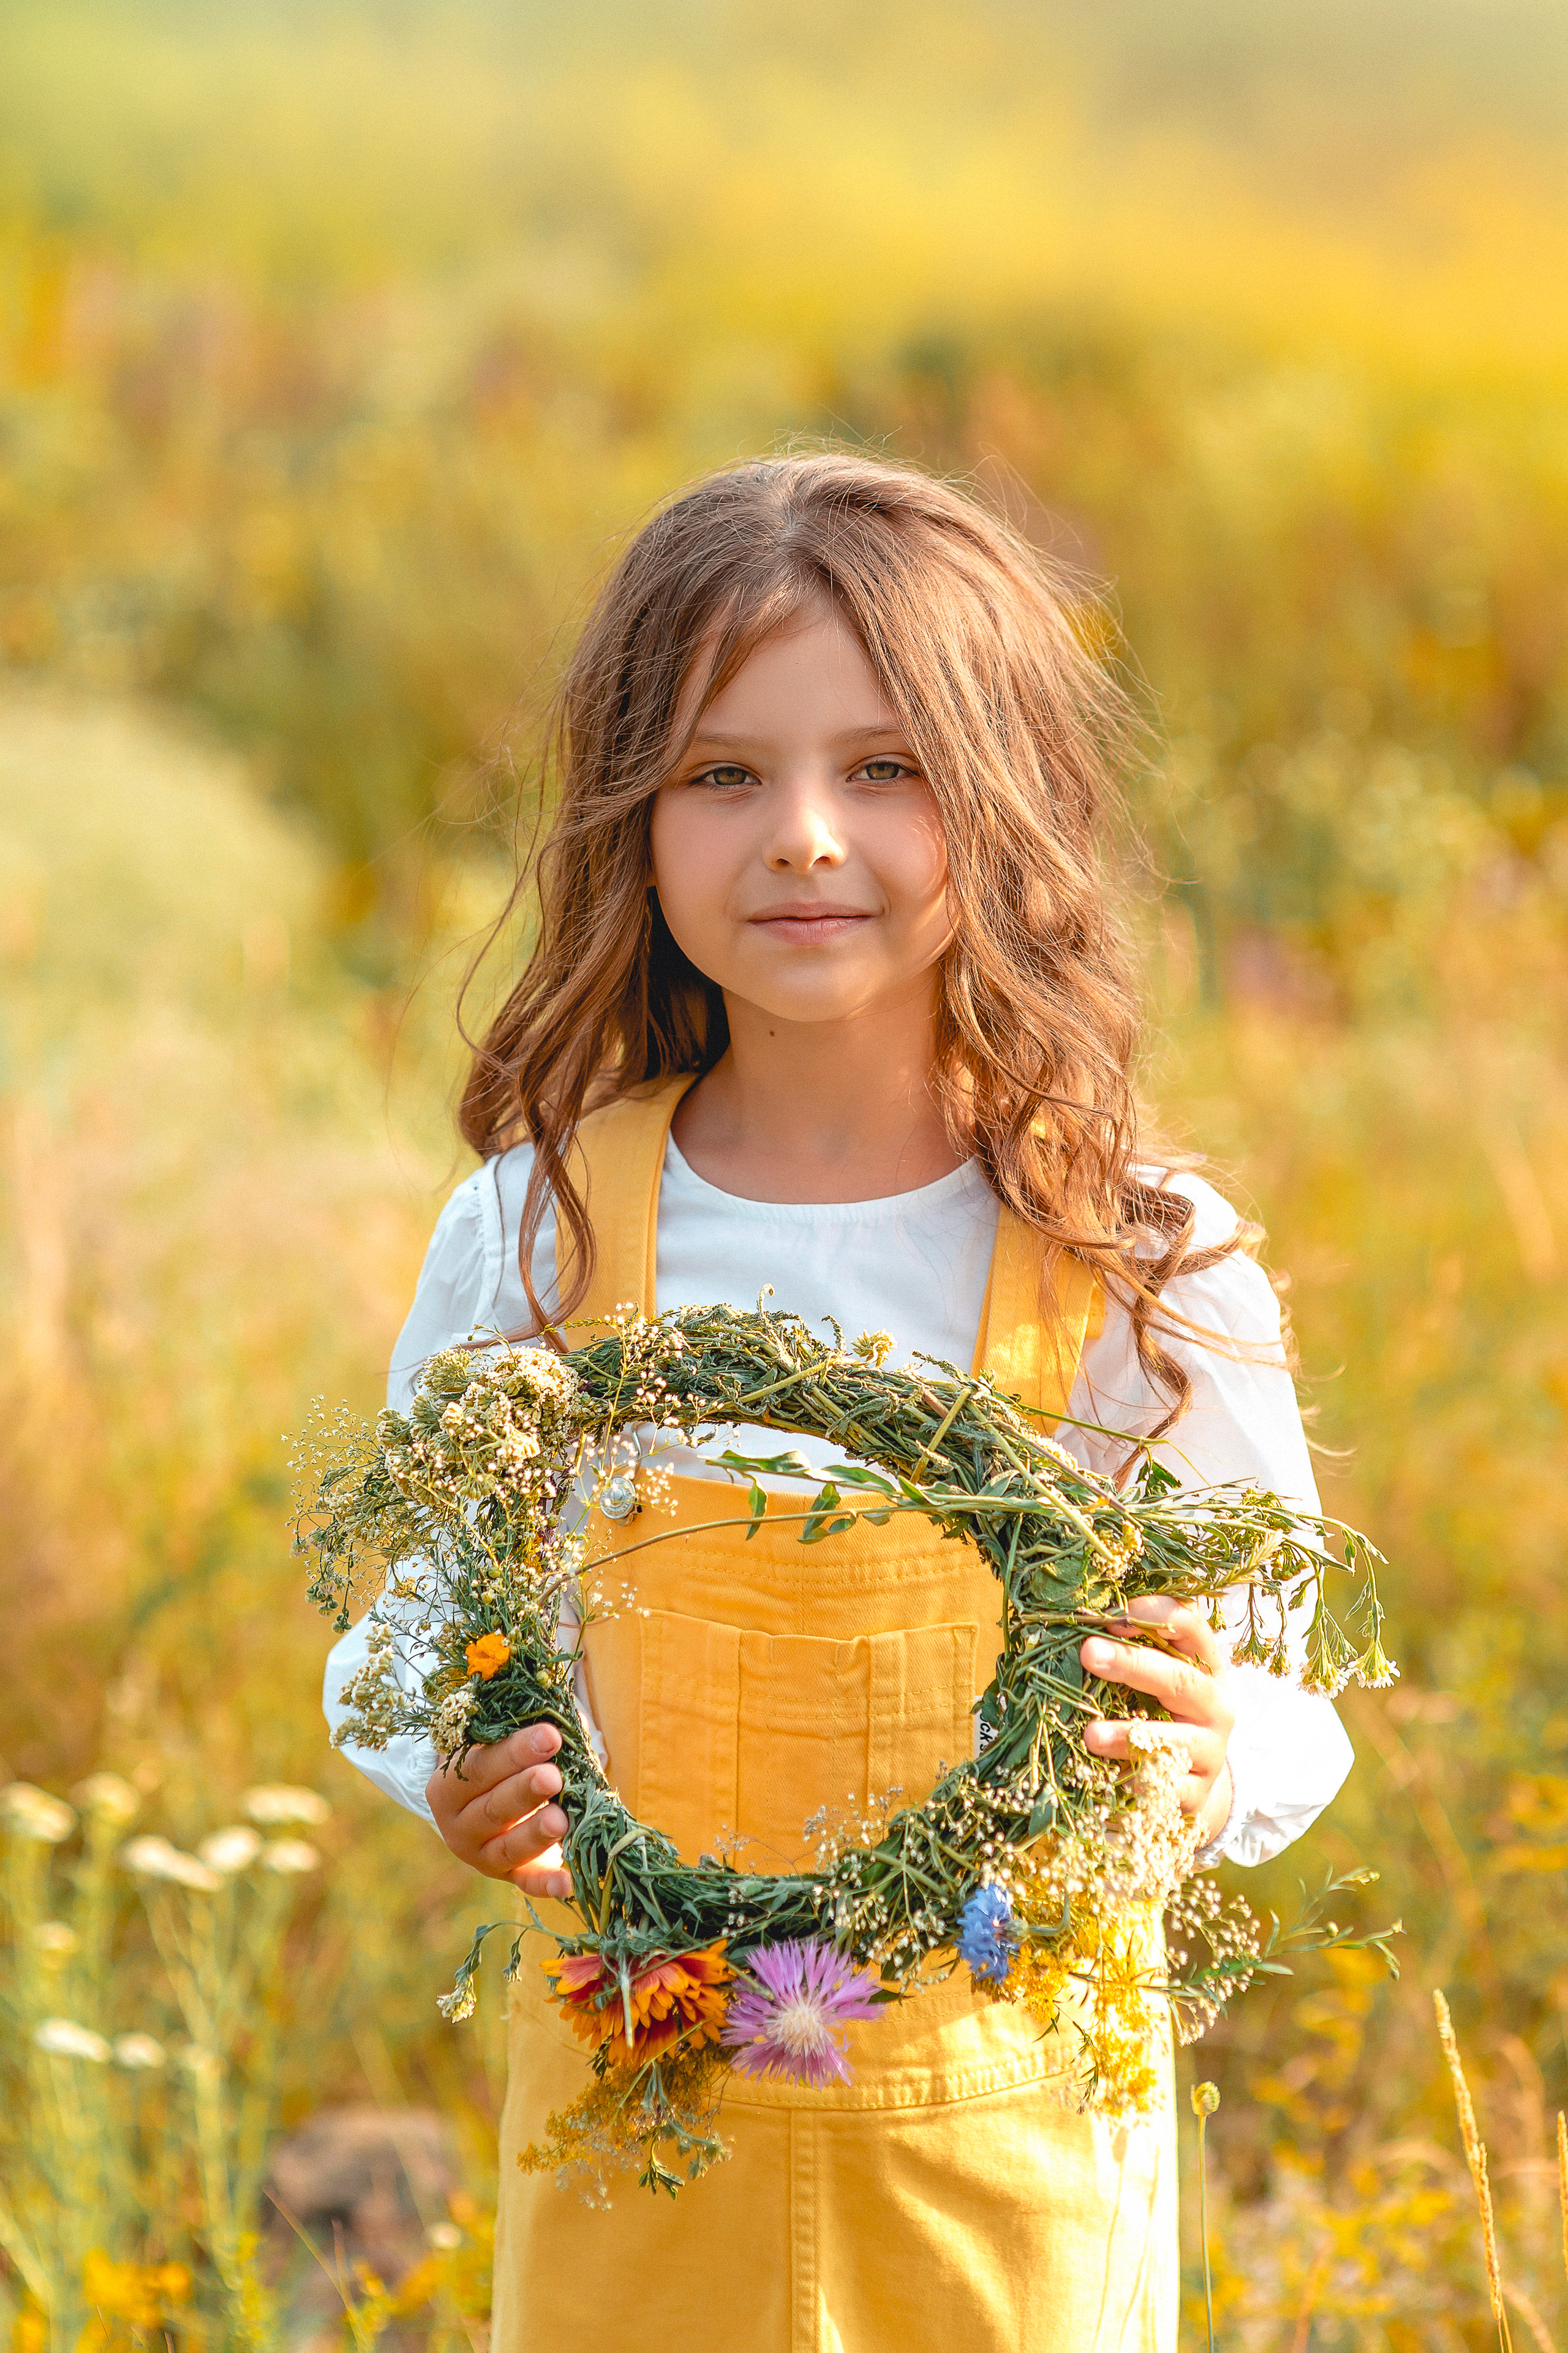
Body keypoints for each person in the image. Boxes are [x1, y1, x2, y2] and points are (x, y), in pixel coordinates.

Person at [325, 452, 1352, 2352]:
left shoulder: (1136, 1250)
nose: (804, 833)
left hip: (1009, 2153)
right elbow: (412, 1634)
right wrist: (461, 1773)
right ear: (633, 820)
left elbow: (1285, 1686)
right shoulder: (542, 1230)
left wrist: (1217, 1754)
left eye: (885, 767)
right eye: (725, 773)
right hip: (649, 2131)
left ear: (1010, 795)